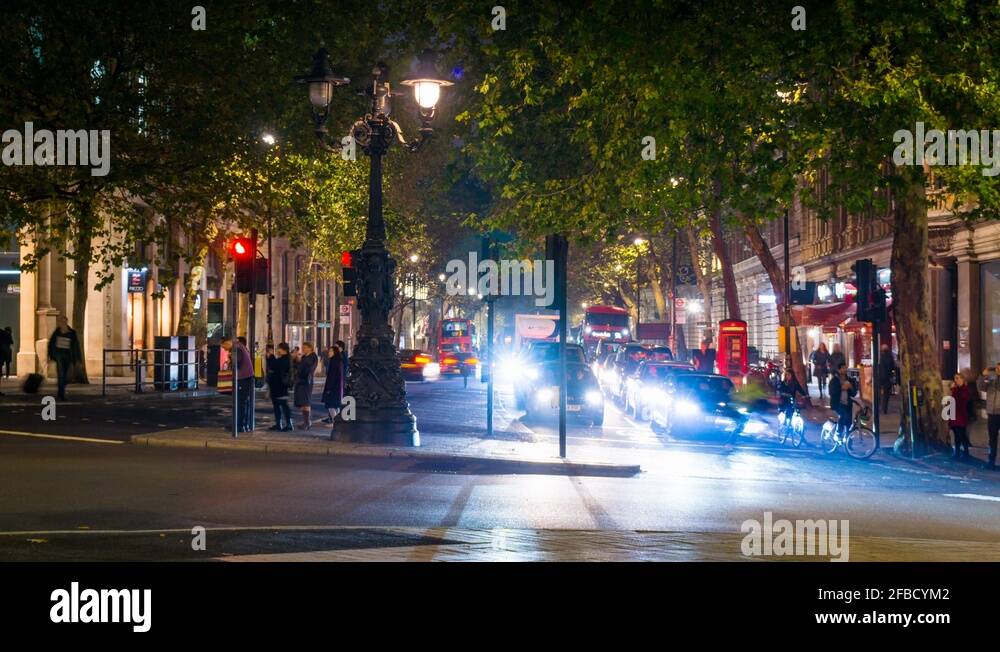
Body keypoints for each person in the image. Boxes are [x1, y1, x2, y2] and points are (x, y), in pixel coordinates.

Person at [221, 336, 254, 431]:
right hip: (246, 377)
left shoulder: (236, 348)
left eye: (224, 346)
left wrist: (231, 359)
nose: (224, 349)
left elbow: (237, 363)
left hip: (243, 378)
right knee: (243, 402)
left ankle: (239, 426)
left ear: (228, 342)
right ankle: (242, 425)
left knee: (240, 402)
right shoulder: (239, 346)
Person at [47, 316, 81, 401]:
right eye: (61, 321)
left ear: (66, 322)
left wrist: (77, 359)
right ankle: (61, 393)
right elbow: (51, 344)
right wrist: (51, 355)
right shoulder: (57, 332)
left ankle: (61, 389)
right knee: (61, 374)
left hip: (68, 355)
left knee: (67, 376)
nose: (62, 323)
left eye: (63, 321)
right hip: (59, 355)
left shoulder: (72, 333)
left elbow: (76, 346)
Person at [977, 363, 1000, 470]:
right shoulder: (992, 379)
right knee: (992, 439)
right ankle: (991, 461)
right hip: (992, 414)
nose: (998, 370)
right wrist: (983, 376)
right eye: (997, 368)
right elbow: (981, 387)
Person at [266, 342, 293, 432]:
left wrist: (271, 357)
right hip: (276, 386)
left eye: (278, 348)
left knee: (284, 405)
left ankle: (289, 424)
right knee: (277, 405)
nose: (277, 350)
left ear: (283, 349)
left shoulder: (286, 359)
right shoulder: (282, 358)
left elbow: (275, 365)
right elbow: (272, 366)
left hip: (281, 386)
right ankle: (279, 424)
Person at [293, 342, 318, 430]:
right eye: (302, 347)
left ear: (310, 348)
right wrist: (296, 360)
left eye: (305, 347)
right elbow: (298, 367)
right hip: (301, 381)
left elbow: (308, 368)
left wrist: (300, 362)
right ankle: (306, 422)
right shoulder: (304, 357)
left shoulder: (313, 357)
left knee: (306, 402)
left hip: (306, 381)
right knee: (302, 402)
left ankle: (307, 423)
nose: (303, 349)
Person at [828, 362, 857, 438]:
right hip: (838, 404)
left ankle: (848, 442)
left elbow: (854, 393)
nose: (845, 369)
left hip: (848, 404)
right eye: (843, 368)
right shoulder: (834, 380)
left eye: (846, 368)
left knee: (849, 422)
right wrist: (841, 388)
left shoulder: (850, 380)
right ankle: (838, 433)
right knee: (843, 415)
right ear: (839, 369)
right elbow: (831, 392)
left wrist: (850, 387)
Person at [949, 373, 972, 461]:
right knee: (956, 436)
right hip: (955, 415)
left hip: (961, 416)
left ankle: (965, 453)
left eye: (958, 378)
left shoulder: (964, 389)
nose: (956, 380)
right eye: (955, 378)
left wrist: (955, 389)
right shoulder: (956, 389)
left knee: (962, 435)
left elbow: (962, 399)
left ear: (962, 379)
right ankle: (957, 453)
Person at [321, 344, 344, 424]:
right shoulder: (337, 361)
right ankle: (338, 422)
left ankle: (336, 423)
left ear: (335, 352)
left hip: (333, 388)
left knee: (331, 405)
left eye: (331, 351)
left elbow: (332, 377)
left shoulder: (334, 362)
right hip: (337, 388)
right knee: (335, 406)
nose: (329, 353)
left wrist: (328, 389)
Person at [876, 343, 896, 414]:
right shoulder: (890, 357)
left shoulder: (881, 357)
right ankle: (884, 408)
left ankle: (880, 406)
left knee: (879, 392)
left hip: (880, 377)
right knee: (886, 394)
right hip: (887, 377)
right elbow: (893, 367)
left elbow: (879, 367)